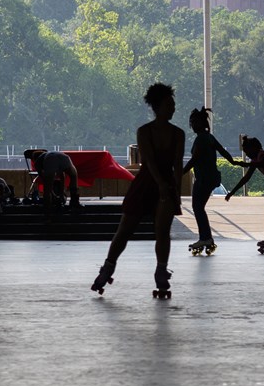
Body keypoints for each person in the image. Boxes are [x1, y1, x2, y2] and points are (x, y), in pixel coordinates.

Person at [91, 83, 186, 298]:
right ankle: (108, 268)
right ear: (157, 106)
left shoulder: (178, 134)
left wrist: (175, 192)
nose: (173, 108)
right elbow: (149, 161)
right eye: (169, 104)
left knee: (162, 232)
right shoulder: (144, 131)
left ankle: (161, 271)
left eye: (173, 104)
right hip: (147, 182)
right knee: (125, 229)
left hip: (165, 184)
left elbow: (178, 164)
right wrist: (163, 184)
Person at [181, 106, 238, 256]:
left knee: (197, 208)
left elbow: (194, 160)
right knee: (199, 208)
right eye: (191, 122)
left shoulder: (201, 139)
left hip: (203, 179)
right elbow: (223, 151)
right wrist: (234, 162)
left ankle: (205, 238)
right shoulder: (209, 137)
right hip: (212, 177)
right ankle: (206, 238)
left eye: (194, 122)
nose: (192, 125)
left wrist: (180, 173)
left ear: (201, 123)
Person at [28, 149, 80, 218]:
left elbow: (45, 180)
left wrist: (52, 193)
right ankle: (74, 202)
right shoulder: (50, 154)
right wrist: (61, 193)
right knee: (73, 176)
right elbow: (62, 176)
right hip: (64, 157)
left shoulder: (38, 161)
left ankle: (47, 212)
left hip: (51, 160)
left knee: (47, 190)